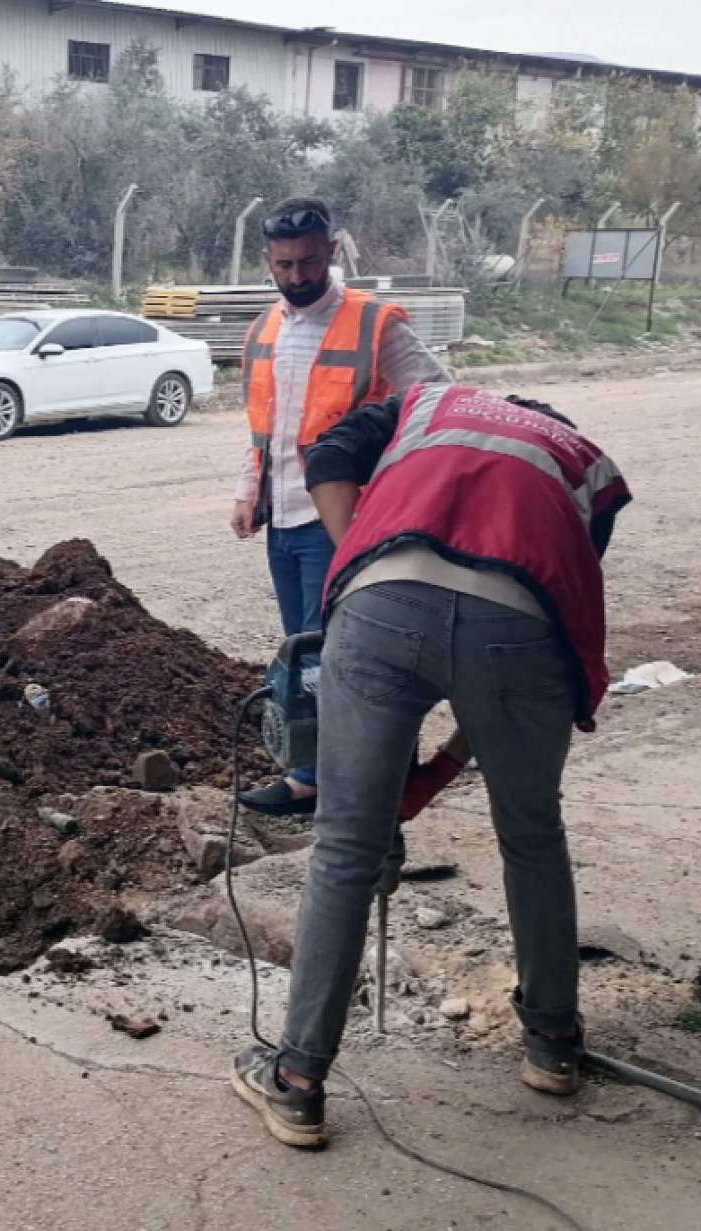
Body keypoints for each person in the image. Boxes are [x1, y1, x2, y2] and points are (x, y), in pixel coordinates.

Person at [231, 383, 631, 1148]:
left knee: (346, 846)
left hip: (381, 604)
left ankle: (298, 1080)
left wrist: (356, 573)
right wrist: (442, 769)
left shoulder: (420, 403)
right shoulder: (580, 460)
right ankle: (553, 1045)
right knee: (533, 833)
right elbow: (548, 603)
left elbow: (327, 456)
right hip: (517, 627)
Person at [233, 197, 449, 817]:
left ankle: (337, 778)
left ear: (332, 251)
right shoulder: (266, 329)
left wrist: (383, 474)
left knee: (346, 651)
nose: (296, 276)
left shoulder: (375, 324)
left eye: (307, 262)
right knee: (309, 652)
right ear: (267, 261)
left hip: (346, 520)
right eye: (283, 265)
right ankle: (342, 773)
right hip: (285, 521)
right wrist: (250, 492)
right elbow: (265, 427)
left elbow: (435, 400)